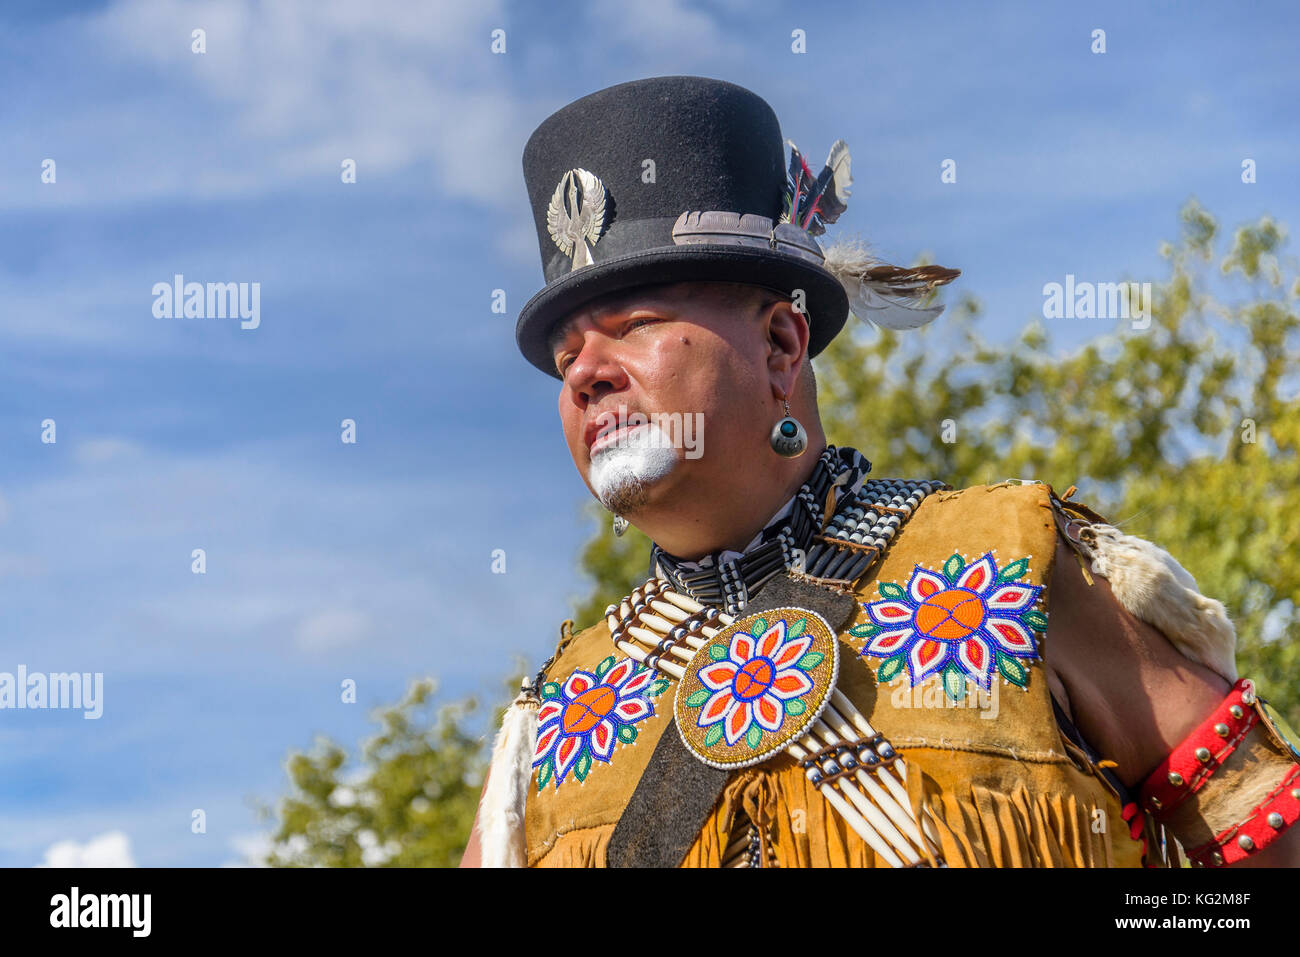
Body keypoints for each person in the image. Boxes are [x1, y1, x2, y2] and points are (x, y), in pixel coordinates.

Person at [459, 75, 1300, 868]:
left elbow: (1267, 835)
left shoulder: (1016, 560)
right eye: (567, 355)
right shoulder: (559, 706)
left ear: (781, 345)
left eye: (633, 324)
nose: (584, 372)